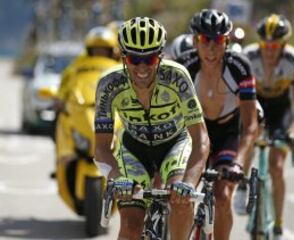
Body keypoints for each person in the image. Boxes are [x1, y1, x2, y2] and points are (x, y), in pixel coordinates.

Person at [94, 17, 210, 240]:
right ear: (122, 56)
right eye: (134, 58)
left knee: (181, 201)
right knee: (130, 223)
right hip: (133, 149)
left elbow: (201, 138)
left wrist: (188, 182)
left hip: (175, 144)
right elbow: (101, 148)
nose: (142, 67)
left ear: (161, 56)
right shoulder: (109, 84)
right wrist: (117, 179)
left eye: (150, 58)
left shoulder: (177, 77)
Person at [176, 9, 259, 240]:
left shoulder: (240, 68)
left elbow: (250, 125)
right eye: (205, 40)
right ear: (195, 41)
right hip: (193, 134)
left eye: (218, 40)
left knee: (222, 197)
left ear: (227, 41)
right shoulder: (184, 67)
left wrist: (239, 164)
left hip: (227, 133)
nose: (211, 48)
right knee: (182, 195)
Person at [242, 14, 294, 239]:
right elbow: (236, 96)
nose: (269, 50)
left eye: (274, 45)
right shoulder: (248, 56)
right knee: (251, 134)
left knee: (276, 166)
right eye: (265, 45)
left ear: (283, 45)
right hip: (255, 103)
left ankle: (278, 224)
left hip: (280, 110)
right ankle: (242, 183)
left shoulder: (292, 59)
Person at [55, 26, 119, 168]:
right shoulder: (77, 66)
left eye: (103, 50)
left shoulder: (120, 66)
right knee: (62, 119)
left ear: (112, 51)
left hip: (111, 112)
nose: (99, 53)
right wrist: (60, 99)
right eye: (96, 50)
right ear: (89, 50)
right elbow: (66, 84)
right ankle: (63, 158)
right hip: (83, 112)